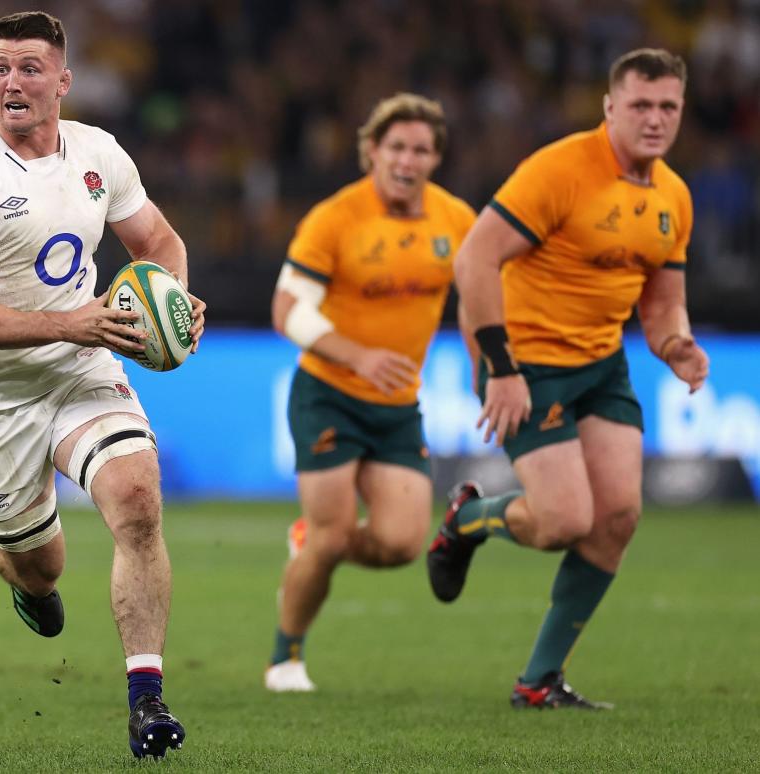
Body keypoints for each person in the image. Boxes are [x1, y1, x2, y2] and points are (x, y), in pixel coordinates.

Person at [0, 11, 205, 760]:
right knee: (36, 563)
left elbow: (159, 243)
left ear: (63, 81)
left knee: (137, 499)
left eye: (30, 67)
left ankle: (147, 699)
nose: (13, 81)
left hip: (84, 367)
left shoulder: (100, 155)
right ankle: (28, 584)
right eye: (0, 67)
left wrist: (173, 296)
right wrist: (69, 323)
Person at [428, 48, 709, 709]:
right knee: (561, 521)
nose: (655, 118)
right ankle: (466, 520)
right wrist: (499, 368)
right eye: (640, 104)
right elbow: (474, 261)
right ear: (610, 106)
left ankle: (539, 680)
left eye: (668, 106)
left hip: (601, 366)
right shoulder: (561, 169)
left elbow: (663, 300)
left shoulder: (674, 195)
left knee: (616, 518)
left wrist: (675, 345)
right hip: (525, 361)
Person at [265, 94, 476, 692]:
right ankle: (286, 658)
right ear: (373, 152)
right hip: (328, 394)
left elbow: (488, 293)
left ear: (435, 159)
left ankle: (308, 544)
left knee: (401, 544)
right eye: (397, 147)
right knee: (333, 535)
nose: (408, 159)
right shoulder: (335, 218)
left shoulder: (455, 220)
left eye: (421, 149)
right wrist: (358, 355)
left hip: (398, 405)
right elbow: (287, 308)